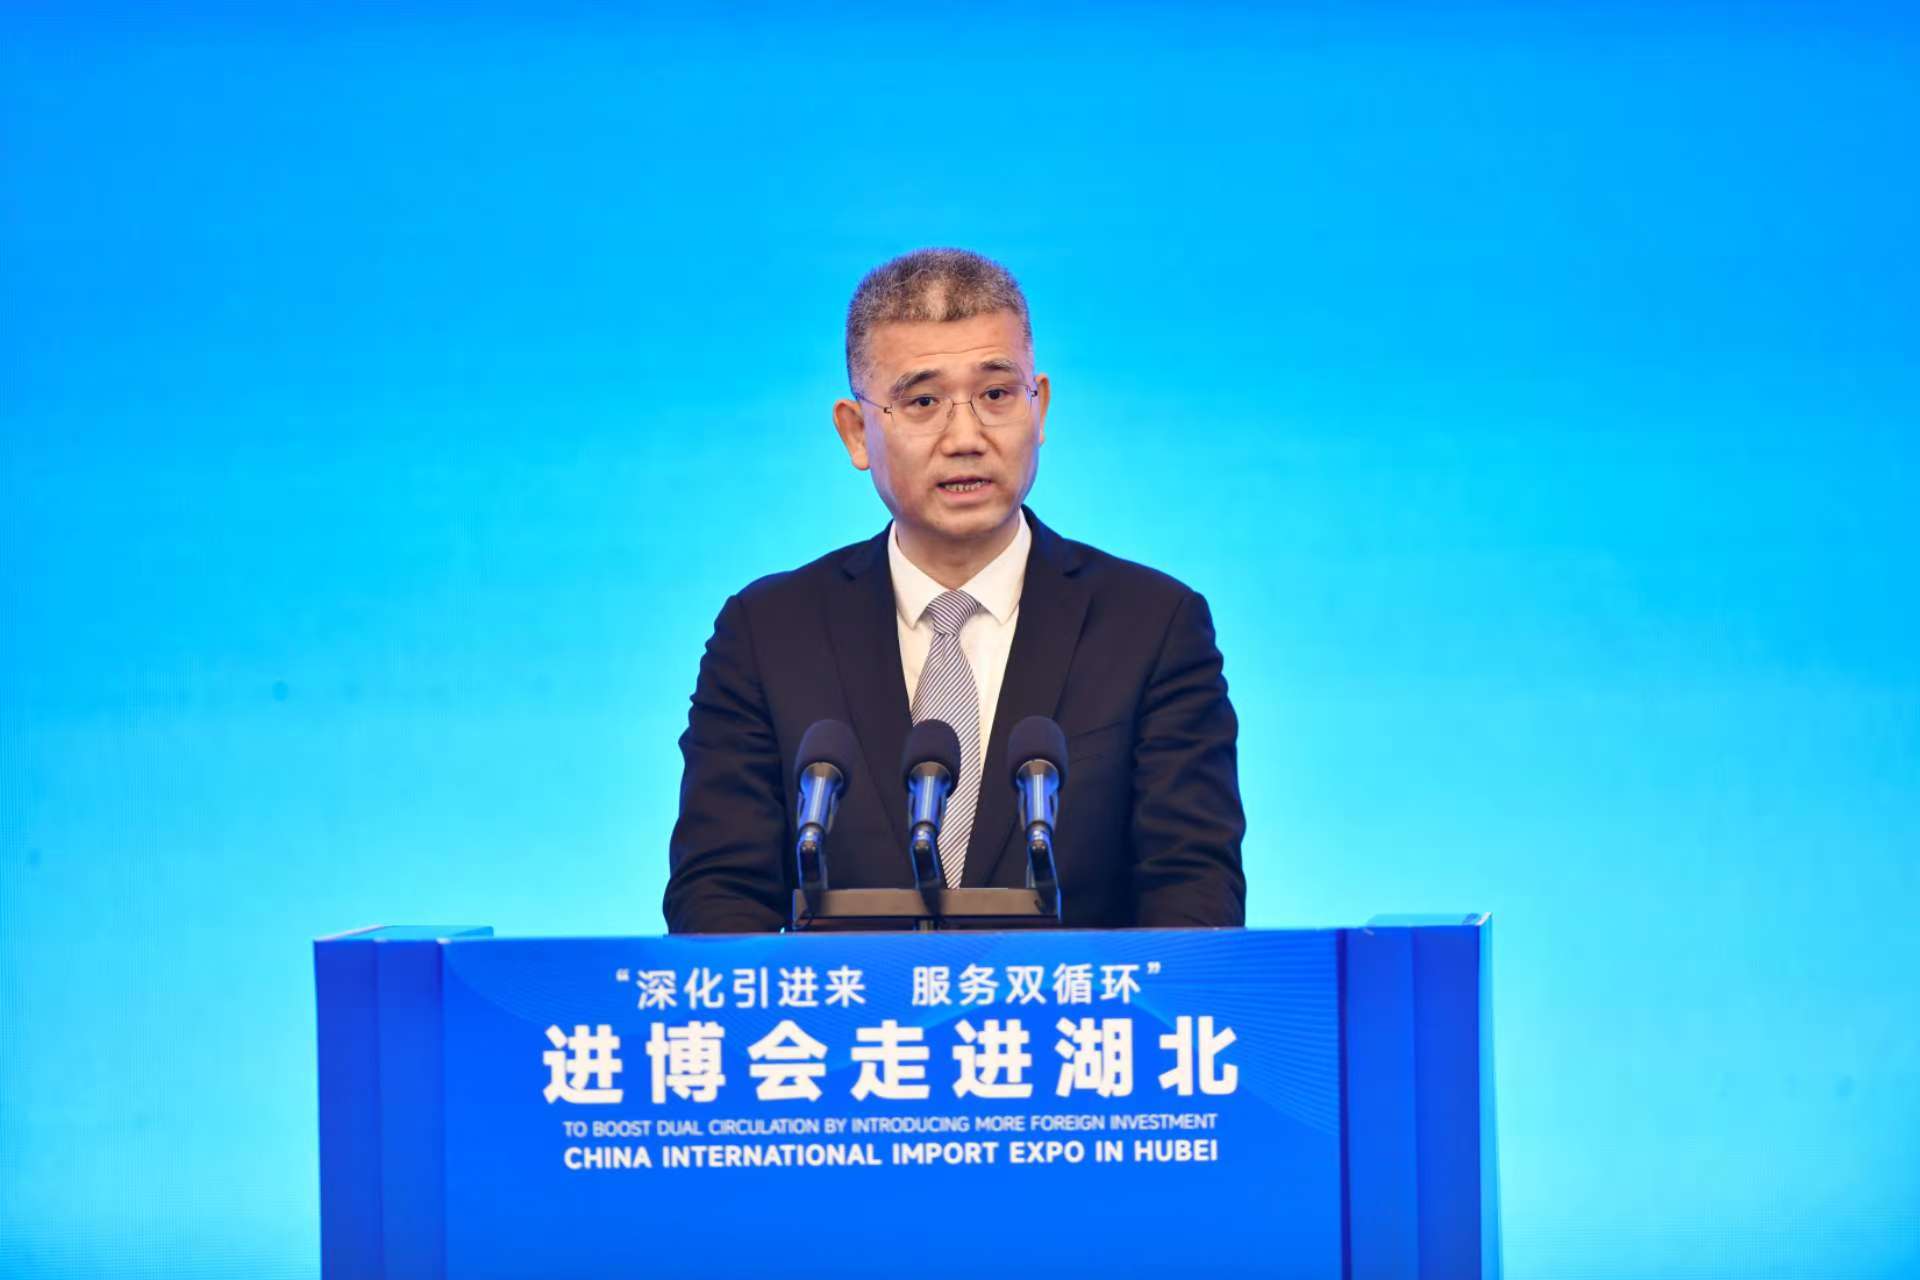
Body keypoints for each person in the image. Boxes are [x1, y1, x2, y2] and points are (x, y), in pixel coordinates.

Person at [664, 248, 1244, 932]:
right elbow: (718, 899)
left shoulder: (1152, 627)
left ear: (1040, 407)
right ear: (856, 432)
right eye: (923, 402)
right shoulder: (768, 635)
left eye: (996, 395)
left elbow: (1193, 898)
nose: (966, 437)